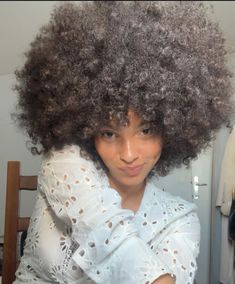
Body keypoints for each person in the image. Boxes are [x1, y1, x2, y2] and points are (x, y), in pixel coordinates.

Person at [13, 1, 234, 283]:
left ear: (173, 129)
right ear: (87, 130)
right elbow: (104, 229)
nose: (129, 155)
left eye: (146, 130)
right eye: (109, 133)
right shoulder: (64, 162)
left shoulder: (180, 220)